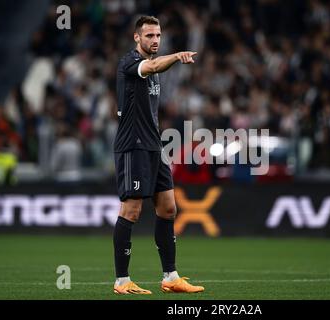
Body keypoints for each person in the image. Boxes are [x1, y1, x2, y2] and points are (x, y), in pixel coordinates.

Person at [112, 16, 203, 295]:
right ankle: (122, 280)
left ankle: (170, 276)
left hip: (154, 146)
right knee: (132, 210)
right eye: (149, 35)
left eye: (158, 35)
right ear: (137, 38)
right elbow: (151, 65)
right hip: (133, 145)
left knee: (168, 208)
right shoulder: (130, 63)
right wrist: (176, 56)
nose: (155, 40)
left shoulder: (154, 69)